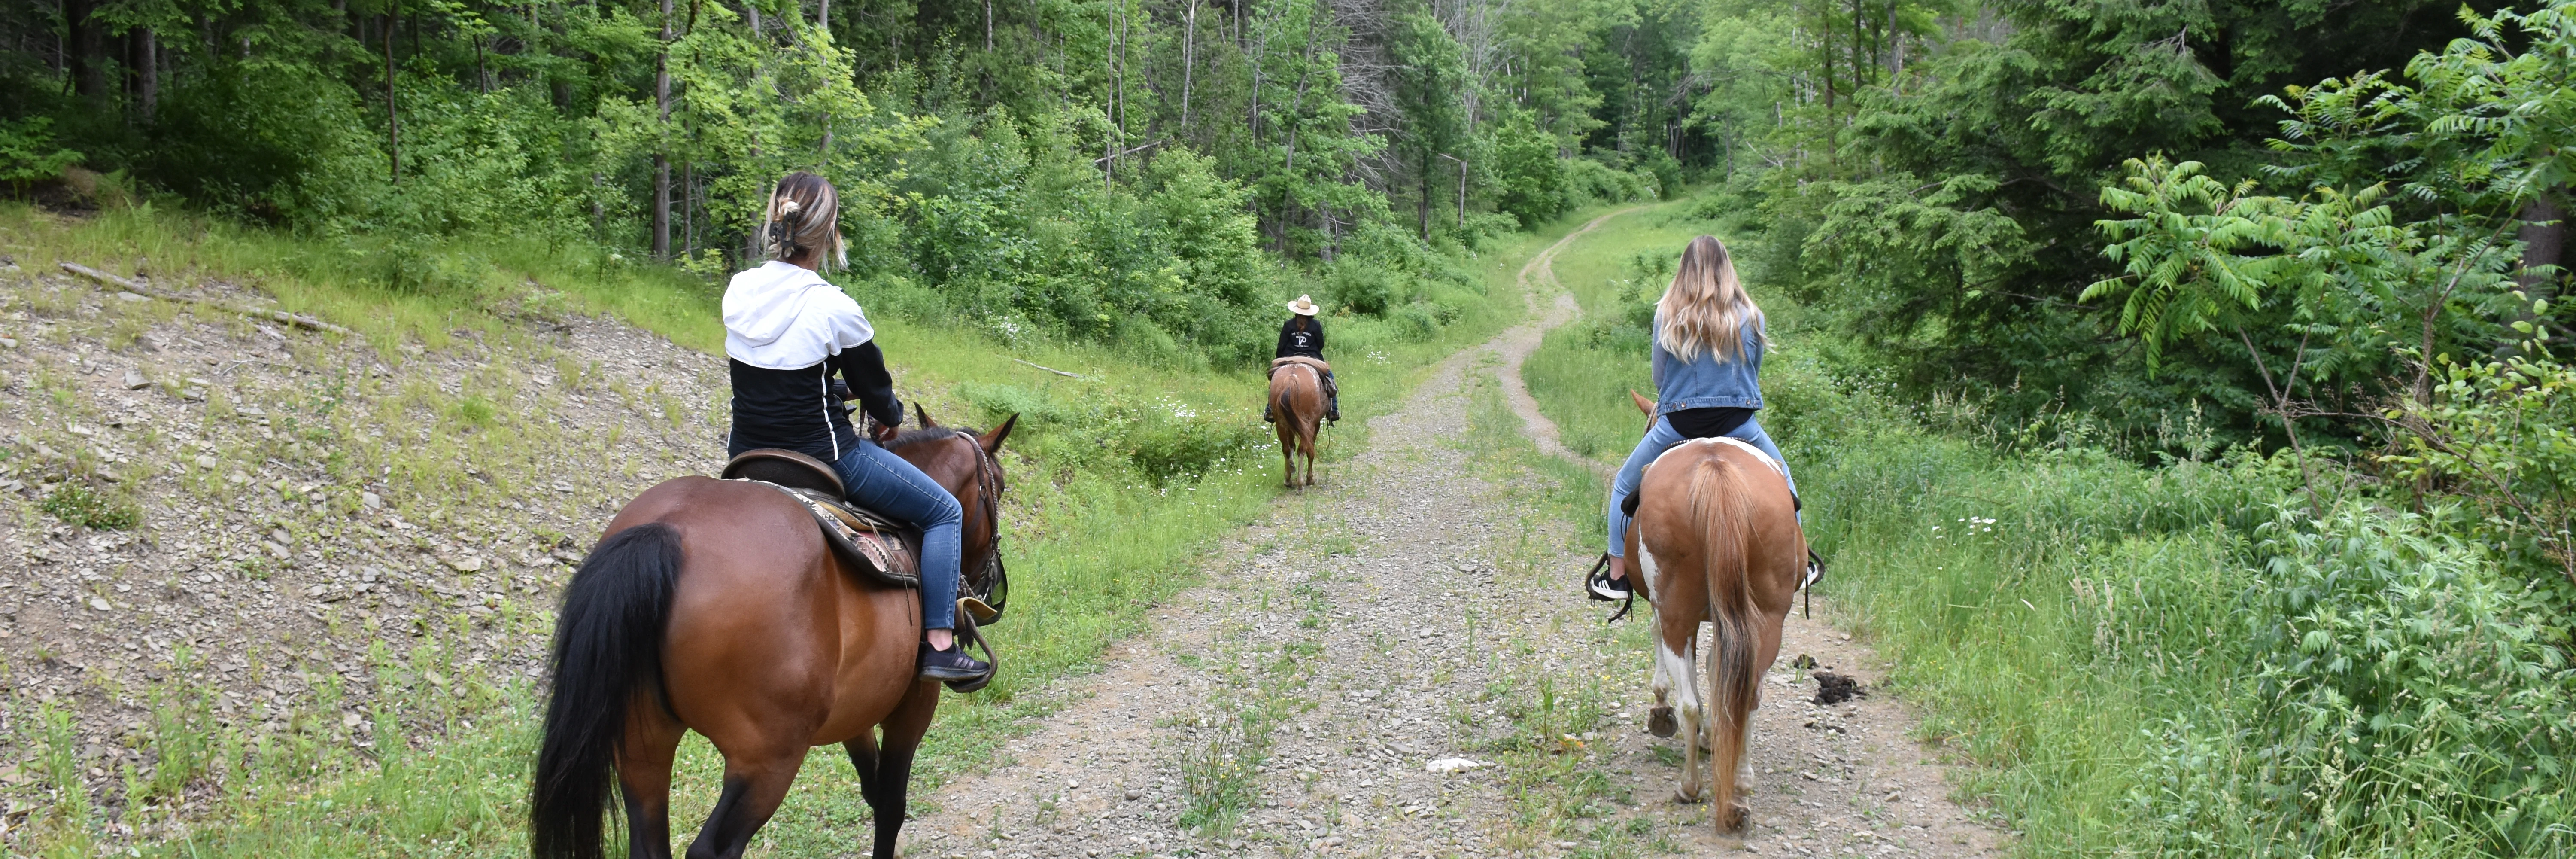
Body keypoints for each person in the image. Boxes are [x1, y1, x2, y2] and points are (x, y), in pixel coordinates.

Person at [722, 171, 989, 682]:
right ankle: (939, 642)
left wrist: (828, 388)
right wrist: (889, 415)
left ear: (776, 222)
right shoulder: (834, 306)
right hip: (825, 457)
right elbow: (878, 390)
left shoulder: (740, 291)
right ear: (829, 233)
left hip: (746, 454)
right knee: (944, 510)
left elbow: (777, 373)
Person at [1588, 235, 1802, 601]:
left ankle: (1618, 574)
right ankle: (1799, 561)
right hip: (1739, 425)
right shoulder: (1752, 315)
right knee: (1786, 485)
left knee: (1624, 485)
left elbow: (1660, 377)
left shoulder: (1667, 314)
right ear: (1727, 269)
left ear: (1685, 270)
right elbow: (1754, 369)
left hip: (1678, 424)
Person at [1264, 294, 1340, 423]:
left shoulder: (1289, 325)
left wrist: (1281, 360)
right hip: (1312, 358)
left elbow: (1281, 346)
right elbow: (1321, 344)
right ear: (1310, 312)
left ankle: (1271, 409)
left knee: (1276, 378)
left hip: (1289, 358)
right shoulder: (1316, 325)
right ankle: (1333, 410)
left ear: (1296, 310)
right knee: (1330, 378)